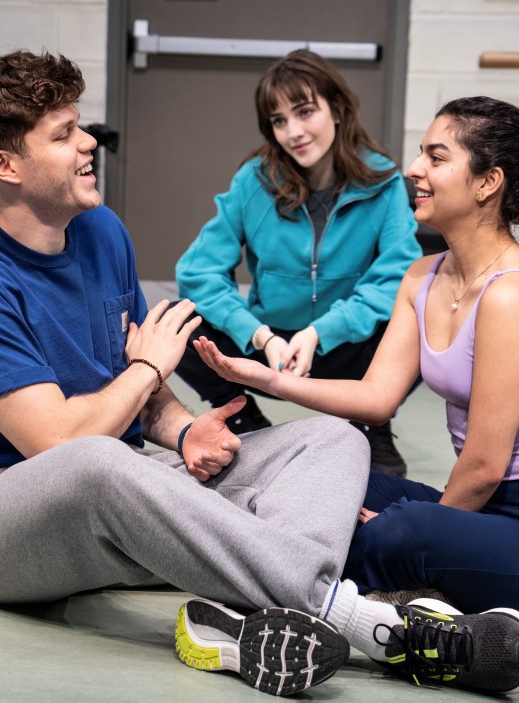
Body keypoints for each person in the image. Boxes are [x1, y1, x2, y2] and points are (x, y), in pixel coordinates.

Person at [0, 52, 519, 697]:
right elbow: (59, 445)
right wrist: (152, 363)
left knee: (332, 439)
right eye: (64, 133)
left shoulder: (100, 233)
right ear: (5, 166)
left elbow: (135, 389)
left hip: (121, 494)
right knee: (98, 462)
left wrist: (184, 432)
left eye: (80, 125)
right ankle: (376, 626)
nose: (87, 141)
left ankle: (243, 627)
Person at [195, 95, 519, 623]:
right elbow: (375, 398)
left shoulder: (511, 295)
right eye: (421, 155)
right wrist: (266, 380)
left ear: (487, 182)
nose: (414, 169)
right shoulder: (424, 275)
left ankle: (254, 566)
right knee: (330, 470)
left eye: (436, 158)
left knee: (404, 530)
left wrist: (413, 525)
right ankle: (293, 562)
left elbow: (482, 468)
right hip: (483, 515)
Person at [175, 49, 422, 476]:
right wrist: (258, 335)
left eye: (305, 112)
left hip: (346, 346)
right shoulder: (254, 180)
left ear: (338, 109)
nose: (294, 132)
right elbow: (197, 273)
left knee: (422, 321)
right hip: (269, 348)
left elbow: (397, 276)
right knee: (178, 325)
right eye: (279, 121)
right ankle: (240, 416)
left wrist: (322, 331)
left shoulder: (382, 183)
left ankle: (371, 419)